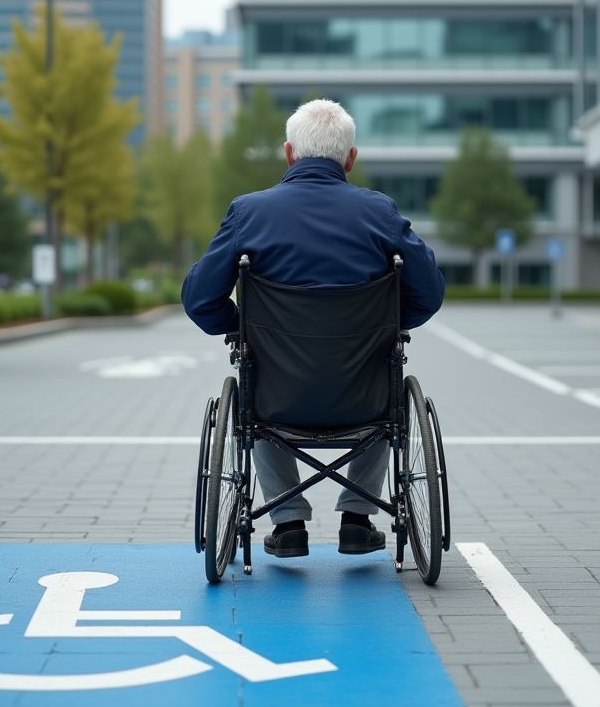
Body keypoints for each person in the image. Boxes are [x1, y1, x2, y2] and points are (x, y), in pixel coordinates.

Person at [182, 99, 445, 559]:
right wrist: (384, 326)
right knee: (383, 370)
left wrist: (244, 329)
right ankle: (358, 518)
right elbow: (430, 293)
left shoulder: (248, 212)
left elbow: (199, 299)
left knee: (255, 378)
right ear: (350, 157)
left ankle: (286, 523)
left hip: (276, 398)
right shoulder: (380, 212)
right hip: (363, 396)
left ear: (289, 153)